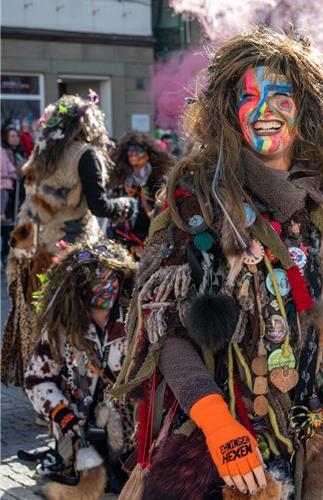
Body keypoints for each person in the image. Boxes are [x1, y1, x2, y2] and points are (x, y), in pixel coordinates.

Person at [110, 27, 323, 499]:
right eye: (249, 96)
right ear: (230, 111)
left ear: (307, 109)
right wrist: (217, 424)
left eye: (280, 95)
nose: (265, 110)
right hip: (239, 444)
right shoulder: (199, 201)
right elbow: (162, 328)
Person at [2, 93, 138, 386]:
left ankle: (44, 386)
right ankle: (73, 387)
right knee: (76, 321)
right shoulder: (85, 154)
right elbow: (100, 206)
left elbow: (26, 205)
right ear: (86, 123)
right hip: (72, 255)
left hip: (34, 249)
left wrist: (17, 253)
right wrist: (126, 205)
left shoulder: (40, 154)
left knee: (42, 321)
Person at [22, 240, 135, 498]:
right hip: (77, 426)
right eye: (98, 281)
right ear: (80, 287)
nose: (107, 287)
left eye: (112, 279)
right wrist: (61, 413)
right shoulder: (62, 326)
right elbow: (37, 380)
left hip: (128, 430)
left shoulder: (133, 321)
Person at [107, 132, 176, 258]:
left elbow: (159, 208)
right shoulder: (122, 178)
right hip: (124, 237)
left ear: (148, 154)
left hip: (147, 236)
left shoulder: (157, 179)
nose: (133, 155)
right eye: (130, 151)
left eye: (138, 151)